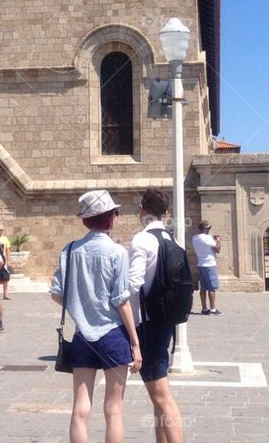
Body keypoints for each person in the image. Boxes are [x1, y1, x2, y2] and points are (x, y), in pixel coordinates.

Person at [50, 190, 141, 443]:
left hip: (83, 336)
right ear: (110, 218)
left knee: (80, 409)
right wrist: (135, 343)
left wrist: (79, 308)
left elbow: (57, 294)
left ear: (85, 220)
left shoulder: (69, 251)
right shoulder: (118, 252)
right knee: (114, 410)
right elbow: (121, 301)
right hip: (112, 335)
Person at [129, 187, 183, 442]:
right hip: (165, 322)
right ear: (166, 212)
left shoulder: (142, 240)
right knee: (157, 396)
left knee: (161, 395)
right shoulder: (170, 239)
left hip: (147, 324)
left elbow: (133, 284)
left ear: (142, 210)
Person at [192, 220, 222, 315]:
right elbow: (217, 250)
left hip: (201, 264)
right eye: (209, 228)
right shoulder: (207, 238)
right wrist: (218, 241)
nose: (209, 230)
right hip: (210, 264)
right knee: (212, 288)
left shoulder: (195, 238)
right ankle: (213, 309)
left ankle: (204, 308)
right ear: (205, 229)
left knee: (203, 288)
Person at [0, 224, 12, 300]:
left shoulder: (5, 239)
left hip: (2, 261)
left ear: (3, 231)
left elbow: (8, 250)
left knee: (5, 277)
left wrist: (8, 260)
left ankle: (5, 294)